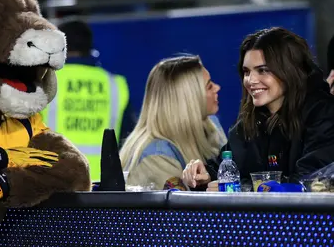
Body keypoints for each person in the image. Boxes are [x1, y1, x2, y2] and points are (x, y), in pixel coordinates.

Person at [183, 27, 334, 191]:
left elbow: (308, 184)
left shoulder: (324, 114)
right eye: (246, 71)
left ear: (289, 71)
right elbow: (226, 168)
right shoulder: (249, 122)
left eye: (263, 70)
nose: (250, 80)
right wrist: (205, 175)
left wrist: (240, 188)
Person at [41, 19, 136, 182]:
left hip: (54, 181)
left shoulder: (45, 80)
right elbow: (128, 138)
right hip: (102, 186)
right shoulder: (115, 85)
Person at [119, 55, 227, 190]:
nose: (217, 87)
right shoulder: (156, 157)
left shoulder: (212, 126)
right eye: (209, 86)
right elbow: (183, 210)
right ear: (189, 99)